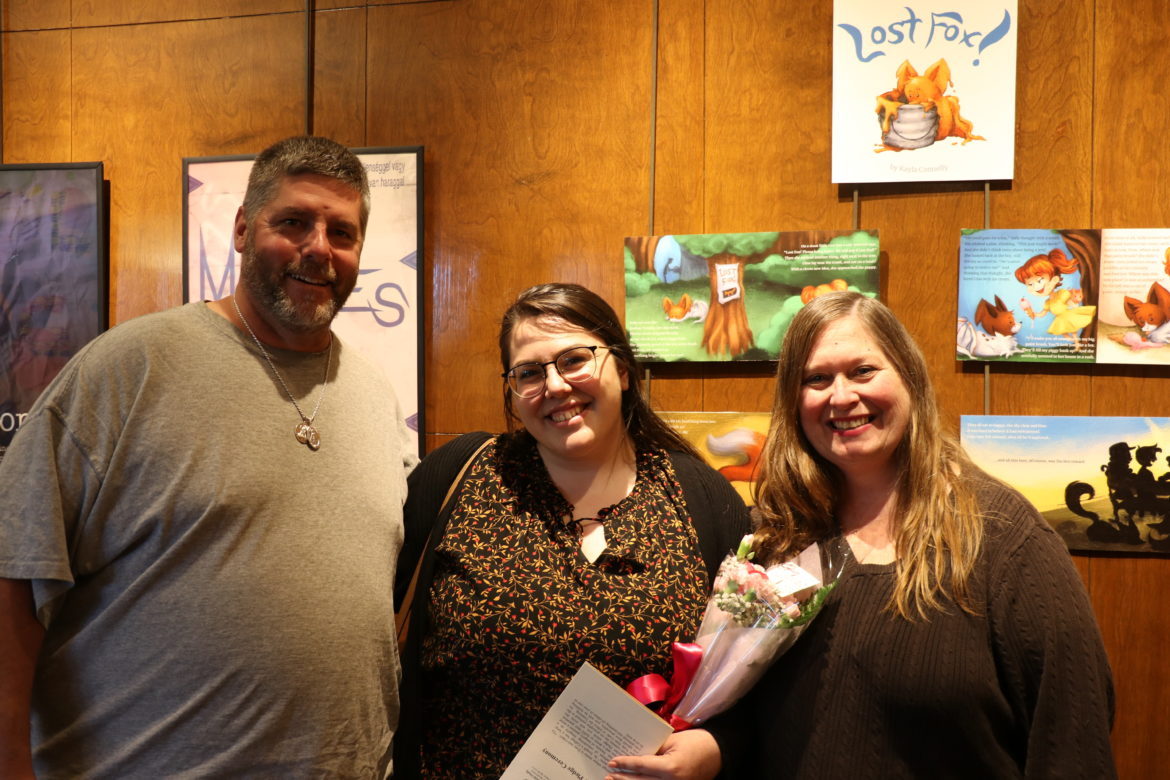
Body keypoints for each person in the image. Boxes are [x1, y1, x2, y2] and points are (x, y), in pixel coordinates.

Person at [0, 136, 417, 778]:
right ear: (243, 230)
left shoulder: (375, 396)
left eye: (342, 232)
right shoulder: (125, 370)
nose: (318, 248)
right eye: (294, 222)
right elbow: (13, 578)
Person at [607, 291, 1116, 779]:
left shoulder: (1003, 538)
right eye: (817, 379)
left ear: (910, 376)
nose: (842, 396)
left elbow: (1073, 738)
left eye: (863, 371)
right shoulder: (778, 537)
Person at [394, 282, 750, 778]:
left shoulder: (698, 496)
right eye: (529, 373)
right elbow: (370, 631)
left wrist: (716, 749)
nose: (556, 386)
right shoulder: (462, 474)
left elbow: (756, 677)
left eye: (575, 360)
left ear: (623, 370)